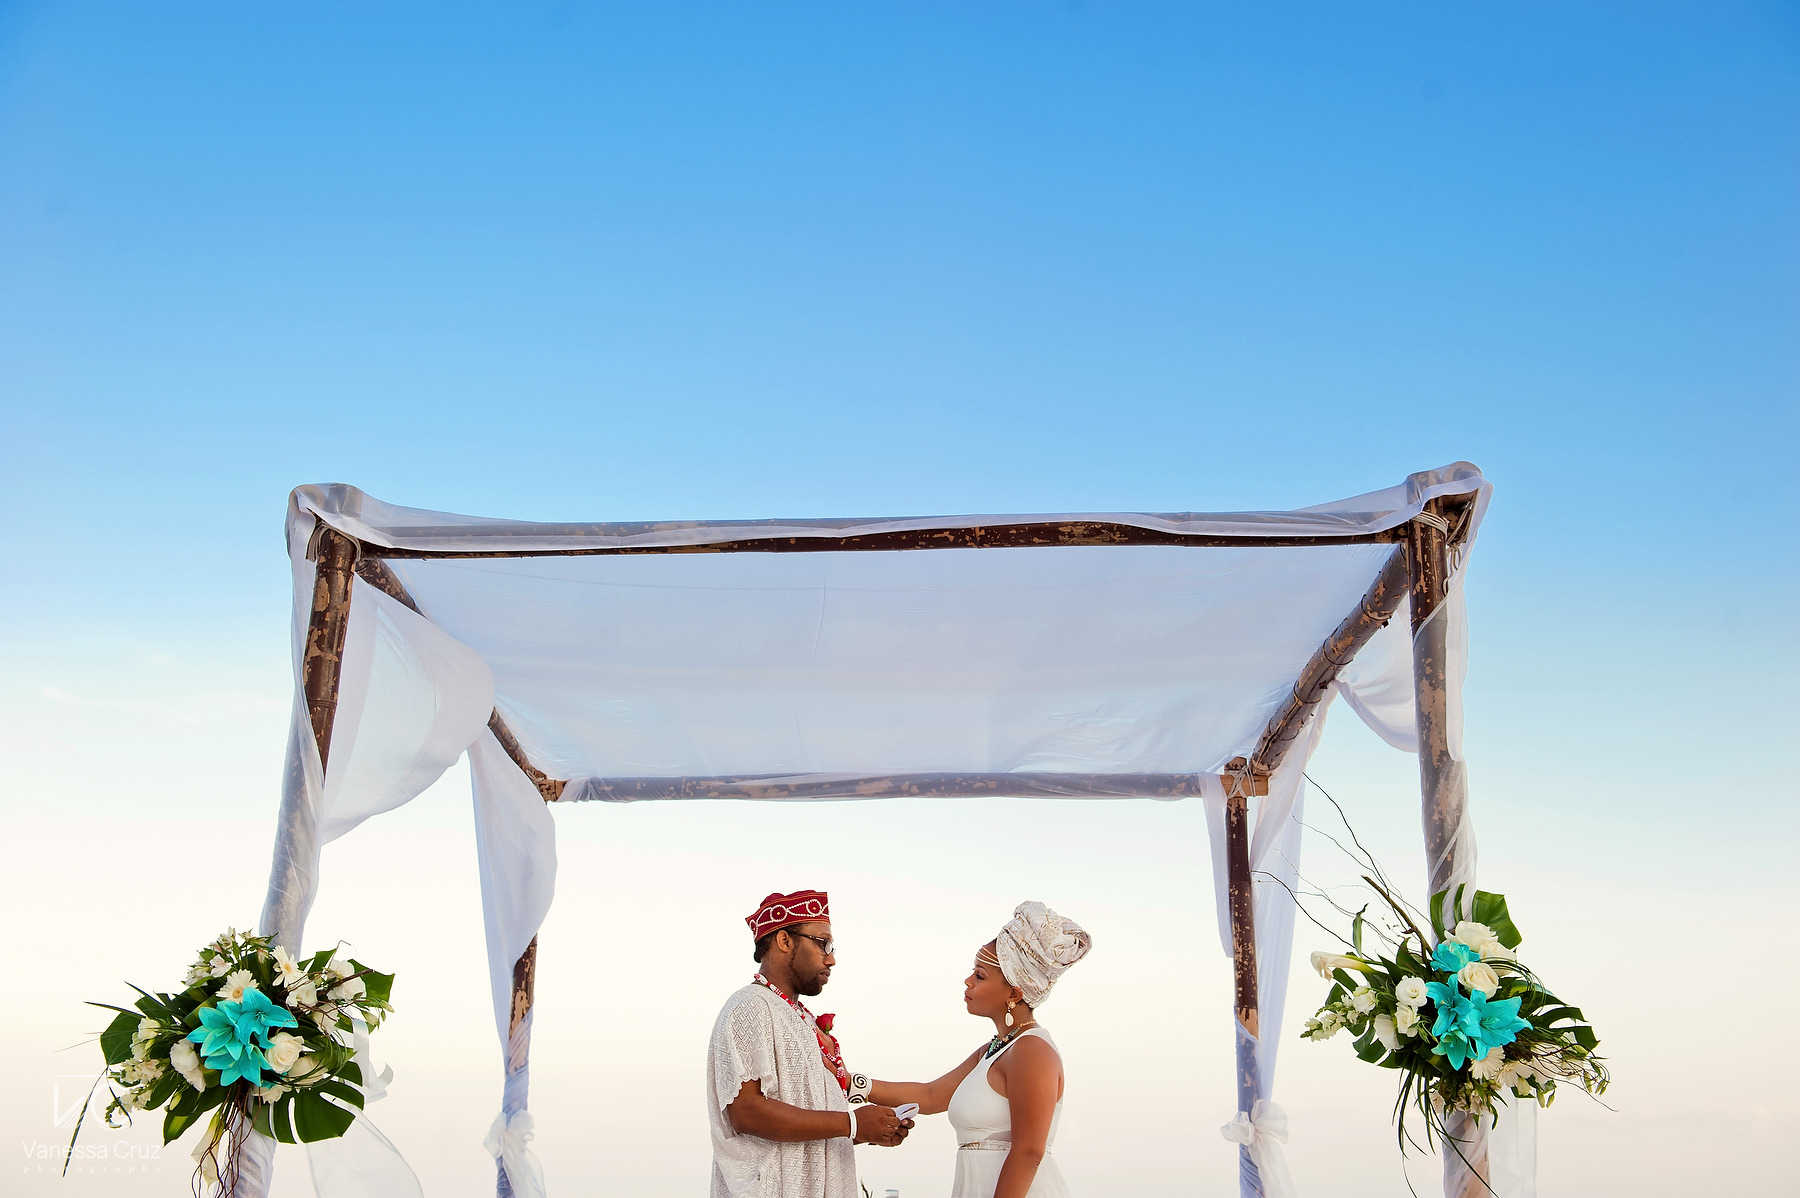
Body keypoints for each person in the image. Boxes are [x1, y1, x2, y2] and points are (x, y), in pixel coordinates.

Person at [867, 902, 1092, 1198]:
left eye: (980, 975)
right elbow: (930, 1096)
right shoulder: (994, 1050)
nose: (968, 981)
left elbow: (1028, 1152)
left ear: (1015, 992)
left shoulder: (1032, 1050)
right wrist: (848, 1082)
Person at [708, 890, 912, 1198]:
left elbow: (807, 1124)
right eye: (823, 943)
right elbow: (745, 1112)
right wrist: (852, 1123)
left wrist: (866, 1131)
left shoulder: (801, 1018)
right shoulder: (750, 1006)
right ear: (784, 941)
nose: (832, 958)